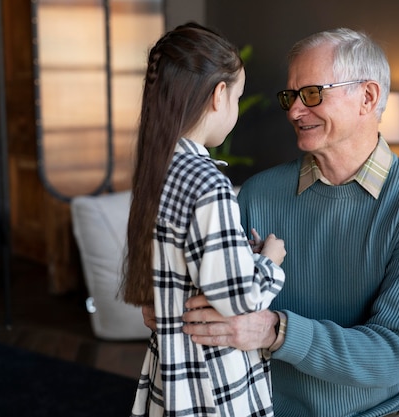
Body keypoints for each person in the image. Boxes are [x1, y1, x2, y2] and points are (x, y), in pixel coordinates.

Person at [176, 28, 399, 417]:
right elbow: (220, 303)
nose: (293, 111)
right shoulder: (257, 193)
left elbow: (391, 353)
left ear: (368, 97)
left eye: (312, 94)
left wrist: (277, 330)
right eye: (291, 96)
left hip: (385, 411)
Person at [122, 22, 287, 417]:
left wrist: (234, 253)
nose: (235, 110)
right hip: (210, 377)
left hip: (171, 364)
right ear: (219, 96)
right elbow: (239, 301)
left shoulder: (158, 170)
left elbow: (183, 267)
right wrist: (269, 260)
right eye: (238, 97)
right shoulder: (208, 181)